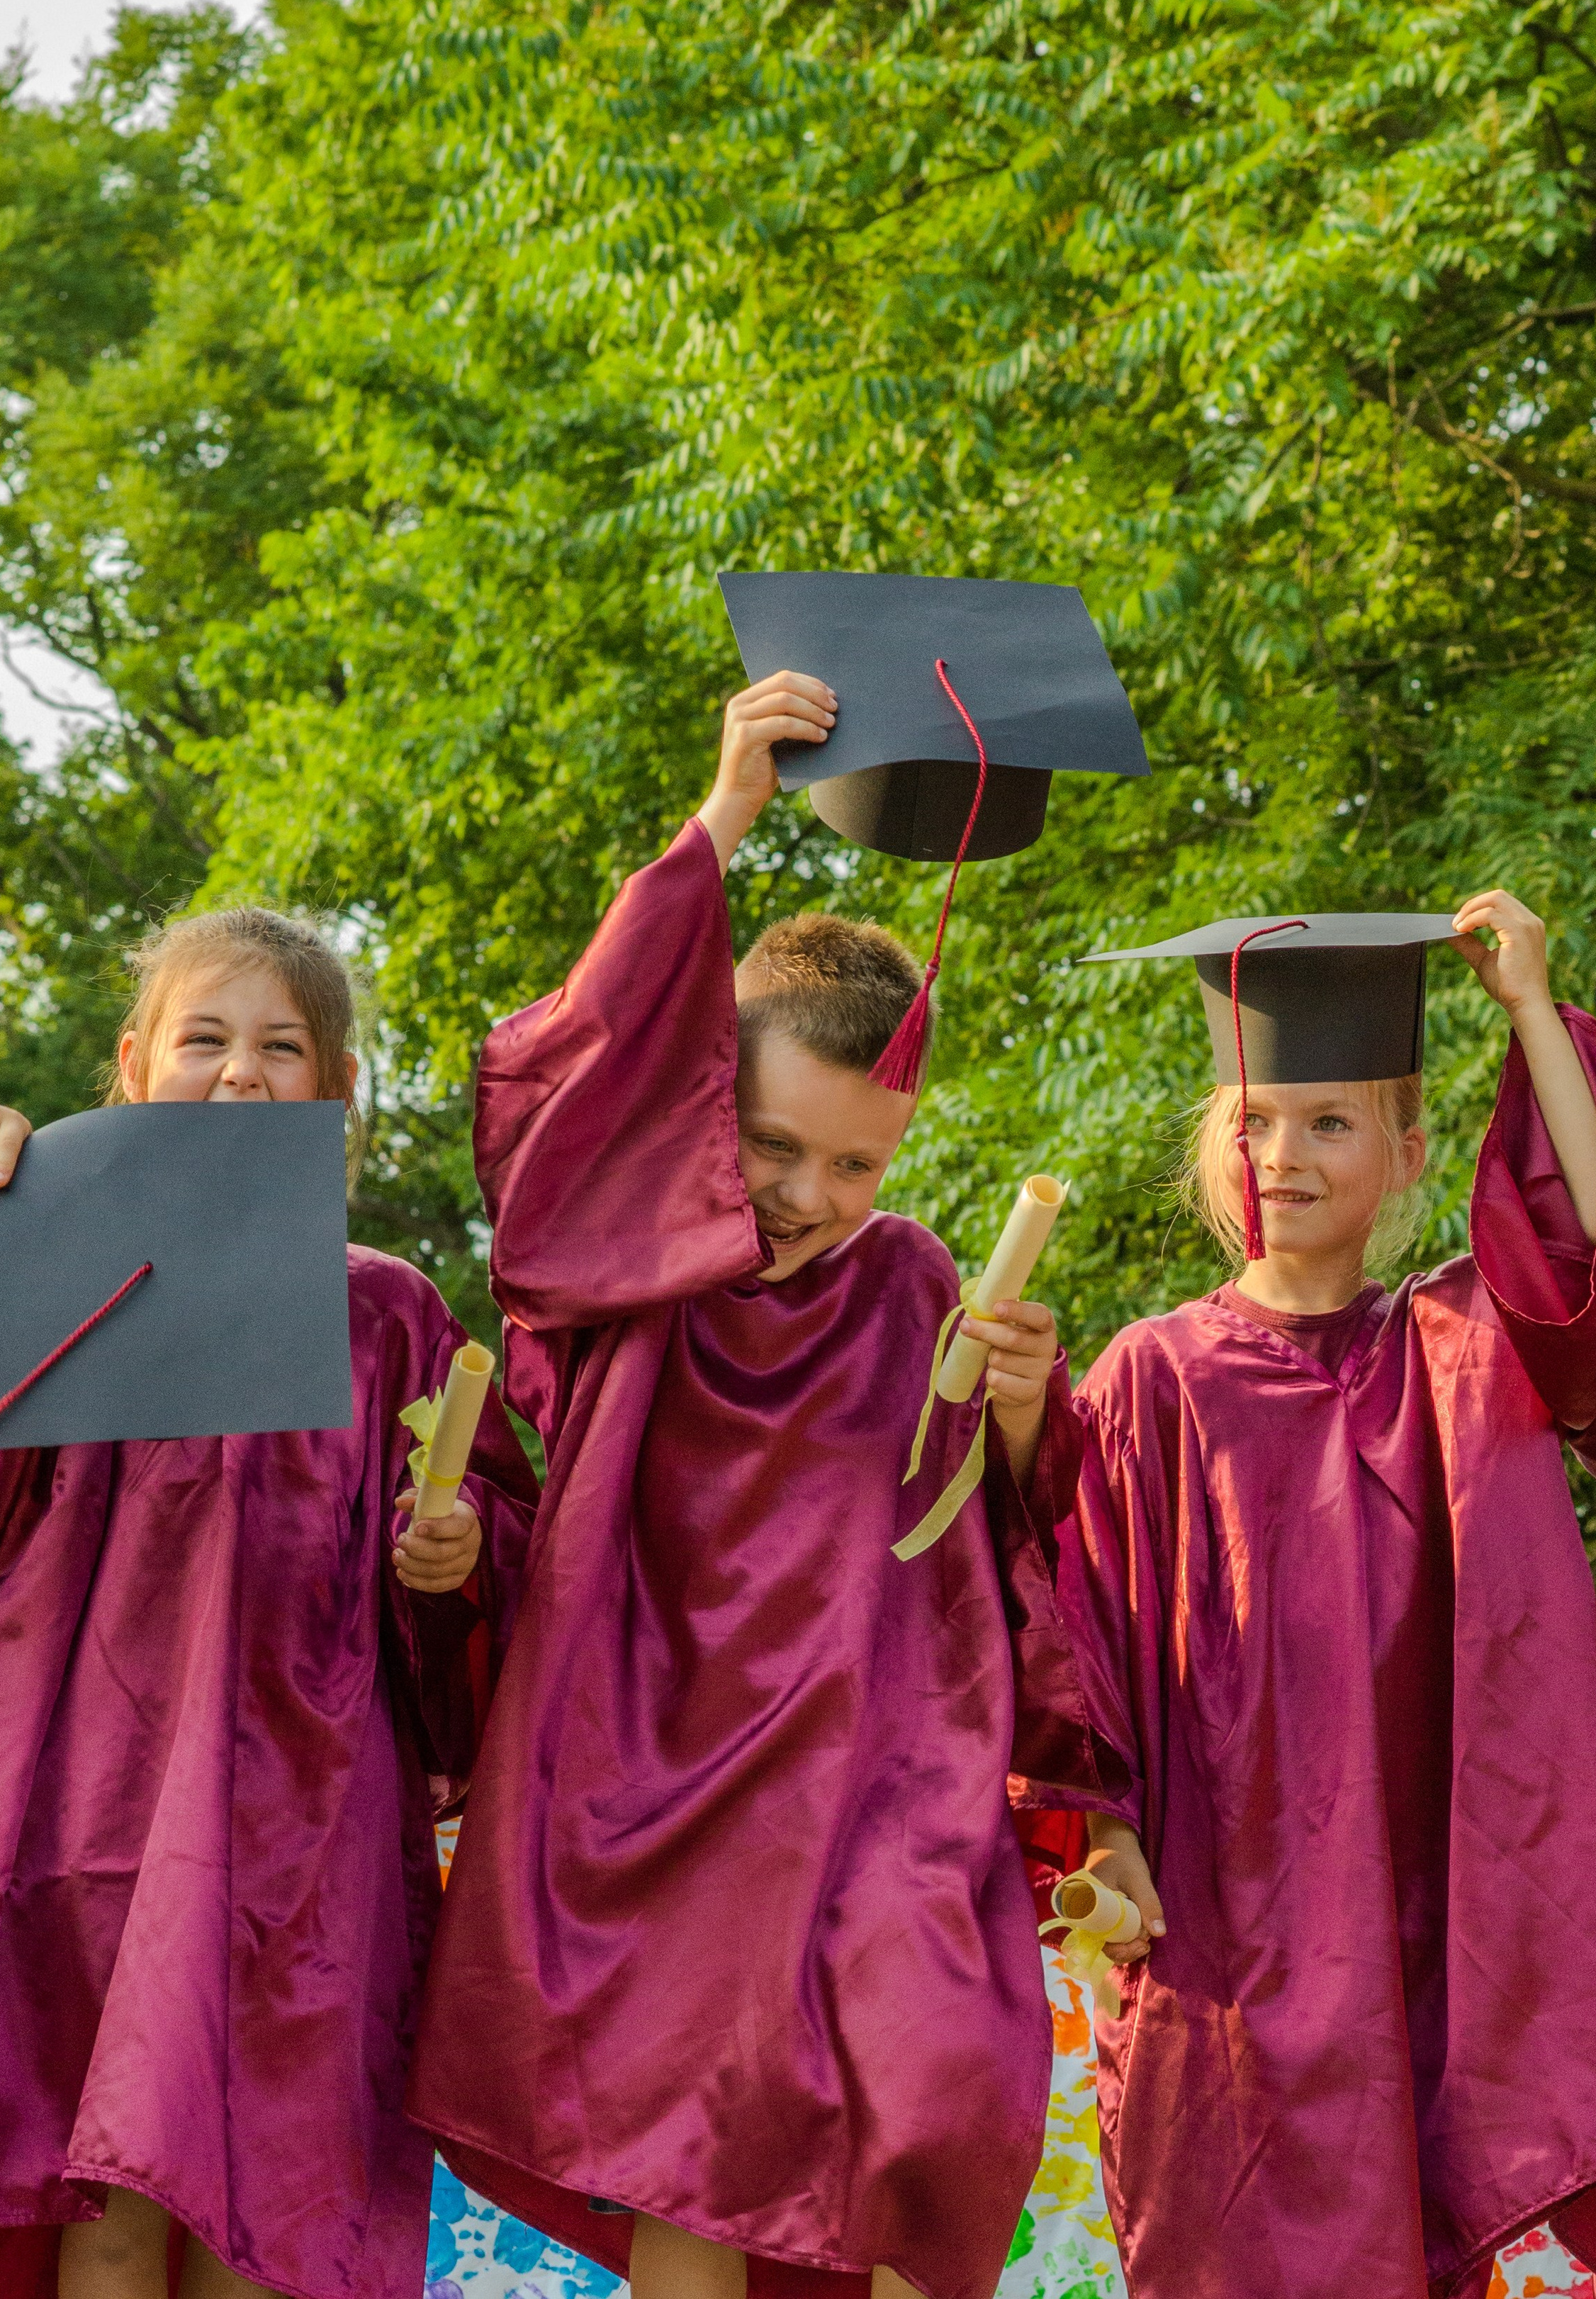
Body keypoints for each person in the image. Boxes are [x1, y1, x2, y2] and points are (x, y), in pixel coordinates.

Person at [405, 671, 1127, 2299]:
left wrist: (1017, 1413)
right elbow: (544, 1118)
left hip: (877, 1780)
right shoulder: (630, 1265)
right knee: (698, 2144)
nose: (807, 1194)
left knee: (931, 2097)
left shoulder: (915, 1280)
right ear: (697, 1106)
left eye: (853, 1161)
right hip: (653, 1779)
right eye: (771, 1142)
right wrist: (720, 818)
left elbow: (1002, 1543)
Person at [0, 908, 539, 2299]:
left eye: (281, 1048)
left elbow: (492, 1543)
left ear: (331, 1094)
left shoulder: (384, 1311)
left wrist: (449, 1557)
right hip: (86, 1805)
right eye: (202, 1038)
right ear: (132, 1066)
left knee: (263, 2191)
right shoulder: (70, 1269)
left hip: (304, 1823)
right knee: (99, 2188)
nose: (239, 1070)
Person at [1057, 894, 1596, 2299]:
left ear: (1407, 1152)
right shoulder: (1153, 1375)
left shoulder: (1457, 1343)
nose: (1282, 1155)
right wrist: (1105, 1832)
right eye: (1252, 1119)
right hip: (1227, 1915)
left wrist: (1527, 1017)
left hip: (1439, 1901)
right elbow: (1072, 1632)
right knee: (1228, 2235)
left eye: (1326, 1122)